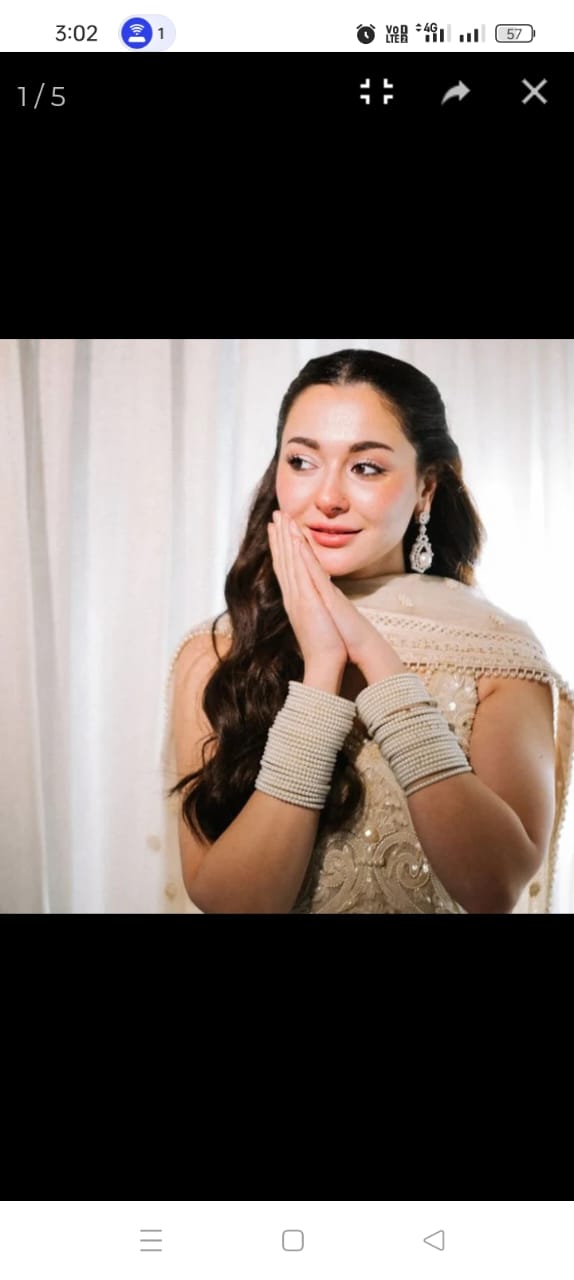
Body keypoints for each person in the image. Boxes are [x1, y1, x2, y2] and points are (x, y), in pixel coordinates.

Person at [162, 349, 574, 914]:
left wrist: (372, 655)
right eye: (302, 461)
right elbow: (236, 904)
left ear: (426, 487)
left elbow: (493, 888)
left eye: (366, 467)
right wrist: (322, 669)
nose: (327, 498)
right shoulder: (215, 654)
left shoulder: (496, 654)